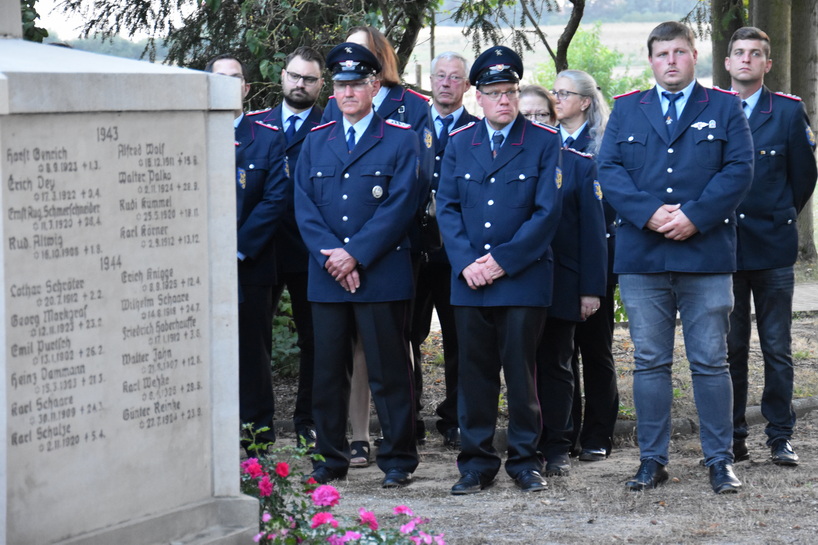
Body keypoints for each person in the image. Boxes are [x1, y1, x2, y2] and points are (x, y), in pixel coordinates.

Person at [598, 21, 754, 494]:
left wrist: (695, 216)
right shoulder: (626, 110)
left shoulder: (725, 107)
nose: (671, 61)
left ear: (694, 56)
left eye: (680, 52)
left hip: (704, 254)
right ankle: (652, 460)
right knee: (649, 362)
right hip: (644, 256)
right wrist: (649, 214)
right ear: (651, 60)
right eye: (662, 53)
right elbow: (608, 168)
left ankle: (720, 460)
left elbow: (740, 169)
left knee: (710, 361)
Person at [437, 45, 563, 495]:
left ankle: (526, 461)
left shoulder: (545, 142)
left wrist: (501, 262)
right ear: (478, 97)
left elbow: (547, 213)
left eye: (510, 91)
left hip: (522, 279)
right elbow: (447, 208)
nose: (504, 100)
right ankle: (476, 463)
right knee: (473, 376)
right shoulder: (458, 143)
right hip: (470, 281)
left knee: (522, 374)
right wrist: (468, 262)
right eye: (494, 92)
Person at [294, 42, 421, 488]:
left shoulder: (402, 140)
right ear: (334, 89)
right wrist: (335, 257)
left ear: (373, 86)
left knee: (389, 373)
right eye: (342, 85)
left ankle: (399, 459)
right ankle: (330, 460)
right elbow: (304, 206)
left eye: (357, 84)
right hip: (328, 275)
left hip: (380, 274)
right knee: (328, 373)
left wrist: (356, 254)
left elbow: (403, 204)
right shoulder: (315, 141)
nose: (349, 93)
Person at [323, 26, 435, 466]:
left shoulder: (413, 108)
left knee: (389, 349)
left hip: (392, 247)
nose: (352, 62)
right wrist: (341, 252)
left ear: (379, 63)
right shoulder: (335, 107)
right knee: (344, 352)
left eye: (363, 55)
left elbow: (418, 178)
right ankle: (356, 437)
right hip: (337, 256)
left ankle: (399, 440)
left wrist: (362, 248)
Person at [724, 26, 817, 466]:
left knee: (777, 347)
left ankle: (780, 435)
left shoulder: (786, 112)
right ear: (727, 63)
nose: (746, 59)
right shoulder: (713, 110)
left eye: (755, 53)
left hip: (773, 247)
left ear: (767, 63)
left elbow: (804, 176)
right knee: (731, 347)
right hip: (723, 248)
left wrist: (781, 212)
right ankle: (733, 436)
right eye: (739, 53)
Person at [205, 54, 290, 450]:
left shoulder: (268, 137)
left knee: (252, 351)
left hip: (249, 264)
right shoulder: (193, 134)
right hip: (202, 265)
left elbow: (275, 200)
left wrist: (236, 251)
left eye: (234, 78)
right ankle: (213, 432)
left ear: (246, 88)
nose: (227, 85)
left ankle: (257, 435)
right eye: (218, 78)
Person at [523, 82, 608, 477]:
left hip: (562, 281)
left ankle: (557, 446)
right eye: (527, 115)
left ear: (554, 119)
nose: (534, 121)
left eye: (542, 114)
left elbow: (592, 233)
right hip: (515, 281)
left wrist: (591, 289)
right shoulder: (502, 161)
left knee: (557, 365)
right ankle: (525, 441)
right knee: (519, 365)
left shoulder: (576, 163)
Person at [550, 71, 620, 463]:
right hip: (559, 263)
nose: (557, 98)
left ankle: (598, 433)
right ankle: (566, 431)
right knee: (560, 352)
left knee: (595, 348)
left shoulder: (603, 146)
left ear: (586, 102)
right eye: (554, 91)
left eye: (565, 93)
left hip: (595, 258)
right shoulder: (548, 142)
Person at [411, 51, 479, 450]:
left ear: (467, 85)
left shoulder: (477, 128)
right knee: (408, 336)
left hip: (457, 255)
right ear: (431, 81)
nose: (446, 83)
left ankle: (455, 418)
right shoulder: (407, 127)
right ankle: (410, 416)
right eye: (440, 76)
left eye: (455, 77)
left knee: (460, 339)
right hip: (415, 251)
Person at [261, 46, 326, 449]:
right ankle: (258, 425)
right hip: (262, 249)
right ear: (282, 76)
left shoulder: (329, 128)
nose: (300, 84)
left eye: (309, 79)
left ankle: (308, 421)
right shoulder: (256, 125)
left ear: (321, 86)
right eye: (295, 76)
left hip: (309, 251)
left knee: (315, 341)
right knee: (255, 339)